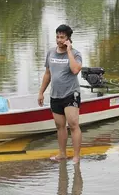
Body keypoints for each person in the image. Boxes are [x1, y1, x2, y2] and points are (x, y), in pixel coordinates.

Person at [38, 24, 83, 163]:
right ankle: (62, 154)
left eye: (62, 37)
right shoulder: (51, 53)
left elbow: (75, 70)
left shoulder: (75, 54)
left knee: (73, 124)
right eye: (57, 37)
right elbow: (47, 74)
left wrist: (68, 50)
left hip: (70, 94)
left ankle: (76, 156)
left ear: (68, 39)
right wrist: (41, 92)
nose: (59, 40)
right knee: (60, 126)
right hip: (55, 95)